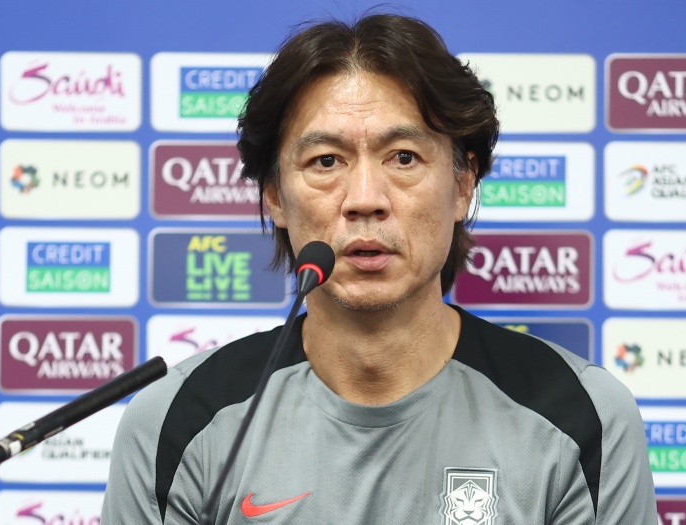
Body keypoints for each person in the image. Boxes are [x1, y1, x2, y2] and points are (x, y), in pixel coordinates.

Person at [102, 13, 657, 524]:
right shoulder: (178, 421)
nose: (365, 199)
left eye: (404, 158)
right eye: (326, 161)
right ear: (274, 195)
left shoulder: (582, 417)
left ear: (463, 184)